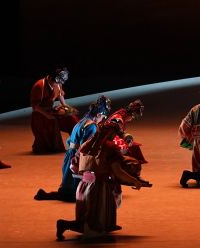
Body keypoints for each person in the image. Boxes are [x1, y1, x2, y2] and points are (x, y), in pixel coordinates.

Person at [56, 101, 149, 240]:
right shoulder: (110, 147)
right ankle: (65, 224)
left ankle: (71, 225)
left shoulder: (88, 143)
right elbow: (118, 171)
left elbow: (74, 164)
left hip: (84, 185)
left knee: (86, 215)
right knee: (93, 219)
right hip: (99, 187)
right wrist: (134, 181)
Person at [35, 95, 111, 201]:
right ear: (98, 115)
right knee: (77, 186)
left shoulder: (82, 121)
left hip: (70, 154)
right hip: (77, 156)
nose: (102, 120)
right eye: (103, 117)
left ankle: (58, 193)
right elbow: (86, 146)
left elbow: (69, 140)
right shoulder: (92, 126)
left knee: (68, 182)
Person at [30, 67, 79, 154]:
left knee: (71, 118)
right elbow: (35, 106)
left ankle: (77, 142)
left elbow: (60, 95)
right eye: (58, 82)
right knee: (51, 121)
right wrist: (47, 114)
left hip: (51, 110)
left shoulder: (58, 83)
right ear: (52, 78)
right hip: (40, 113)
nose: (60, 84)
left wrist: (66, 107)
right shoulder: (39, 85)